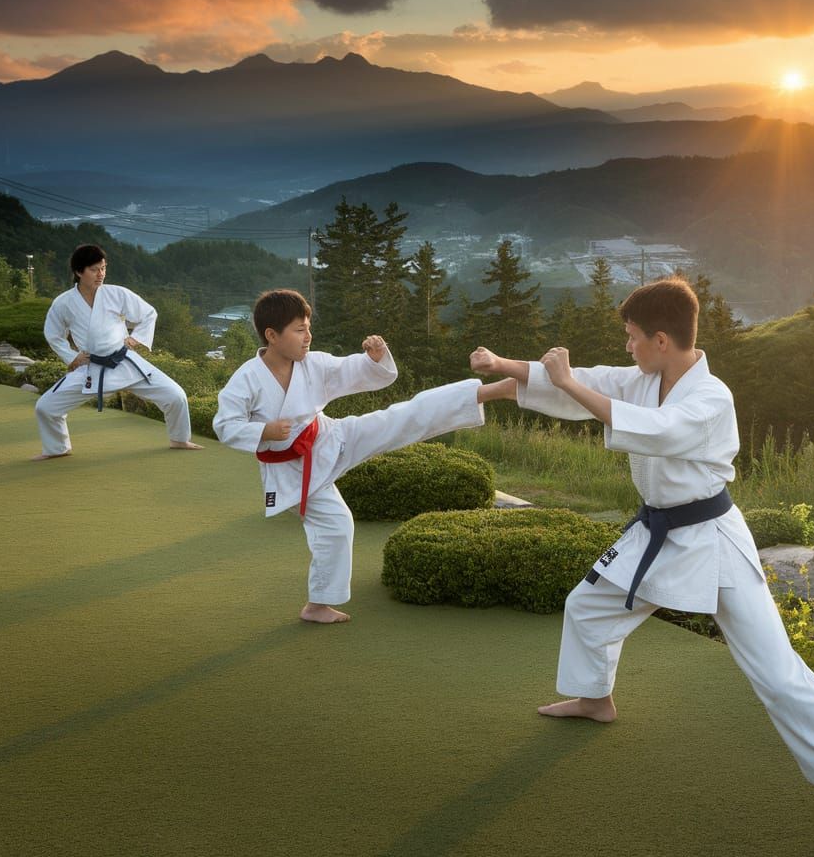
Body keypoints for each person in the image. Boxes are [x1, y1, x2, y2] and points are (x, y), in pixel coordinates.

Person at [469, 276, 814, 852]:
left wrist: (567, 380)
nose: (626, 347)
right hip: (660, 530)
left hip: (712, 541)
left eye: (631, 337)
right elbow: (594, 382)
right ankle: (597, 699)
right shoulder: (646, 376)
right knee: (588, 604)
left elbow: (653, 432)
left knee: (776, 673)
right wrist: (505, 365)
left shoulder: (710, 398)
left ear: (662, 339)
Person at [213, 288, 515, 625]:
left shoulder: (313, 364)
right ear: (272, 335)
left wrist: (373, 357)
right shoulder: (247, 379)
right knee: (337, 523)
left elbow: (351, 370)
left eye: (309, 327)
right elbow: (225, 425)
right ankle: (318, 605)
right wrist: (265, 431)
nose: (308, 336)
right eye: (299, 330)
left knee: (398, 418)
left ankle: (489, 391)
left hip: (328, 436)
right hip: (295, 469)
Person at [34, 244, 203, 459]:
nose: (101, 274)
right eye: (95, 269)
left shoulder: (116, 294)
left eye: (103, 268)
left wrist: (135, 338)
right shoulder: (64, 303)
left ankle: (179, 439)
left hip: (125, 362)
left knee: (176, 396)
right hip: (92, 368)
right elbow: (53, 333)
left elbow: (149, 313)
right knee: (45, 407)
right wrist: (72, 356)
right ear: (78, 272)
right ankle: (57, 449)